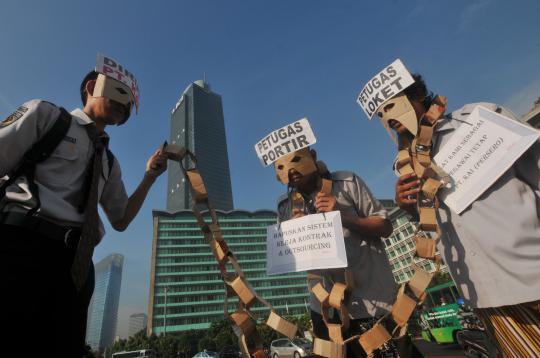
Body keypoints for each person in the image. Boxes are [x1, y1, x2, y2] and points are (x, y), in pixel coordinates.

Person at [0, 59, 167, 356]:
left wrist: (149, 177)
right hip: (22, 242)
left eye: (130, 106)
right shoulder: (46, 115)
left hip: (77, 264)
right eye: (119, 96)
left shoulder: (109, 162)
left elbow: (121, 219)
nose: (124, 107)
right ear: (92, 87)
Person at [378, 73, 540, 356]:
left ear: (417, 95)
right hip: (486, 293)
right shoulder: (406, 166)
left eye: (391, 105)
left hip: (532, 267)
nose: (387, 117)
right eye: (379, 113)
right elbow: (436, 225)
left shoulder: (478, 119)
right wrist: (408, 208)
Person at [275, 147, 405, 357]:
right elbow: (290, 257)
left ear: (313, 157)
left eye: (296, 160)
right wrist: (296, 233)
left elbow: (385, 227)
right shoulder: (285, 206)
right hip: (324, 310)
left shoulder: (347, 183)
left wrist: (342, 215)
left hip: (370, 303)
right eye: (281, 166)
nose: (290, 170)